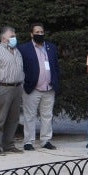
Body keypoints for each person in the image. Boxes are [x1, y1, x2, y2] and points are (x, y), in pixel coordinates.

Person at [18, 23, 60, 151]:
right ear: (31, 34)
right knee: (30, 116)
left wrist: (56, 81)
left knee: (47, 116)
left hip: (49, 88)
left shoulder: (51, 47)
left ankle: (46, 140)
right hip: (32, 88)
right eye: (37, 32)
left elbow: (55, 66)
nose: (40, 34)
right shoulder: (24, 48)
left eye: (42, 32)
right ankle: (28, 141)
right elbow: (20, 67)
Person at [0, 27, 24, 156]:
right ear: (3, 38)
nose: (14, 38)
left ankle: (9, 144)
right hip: (3, 88)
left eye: (15, 35)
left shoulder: (17, 51)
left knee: (13, 119)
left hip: (17, 88)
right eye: (11, 36)